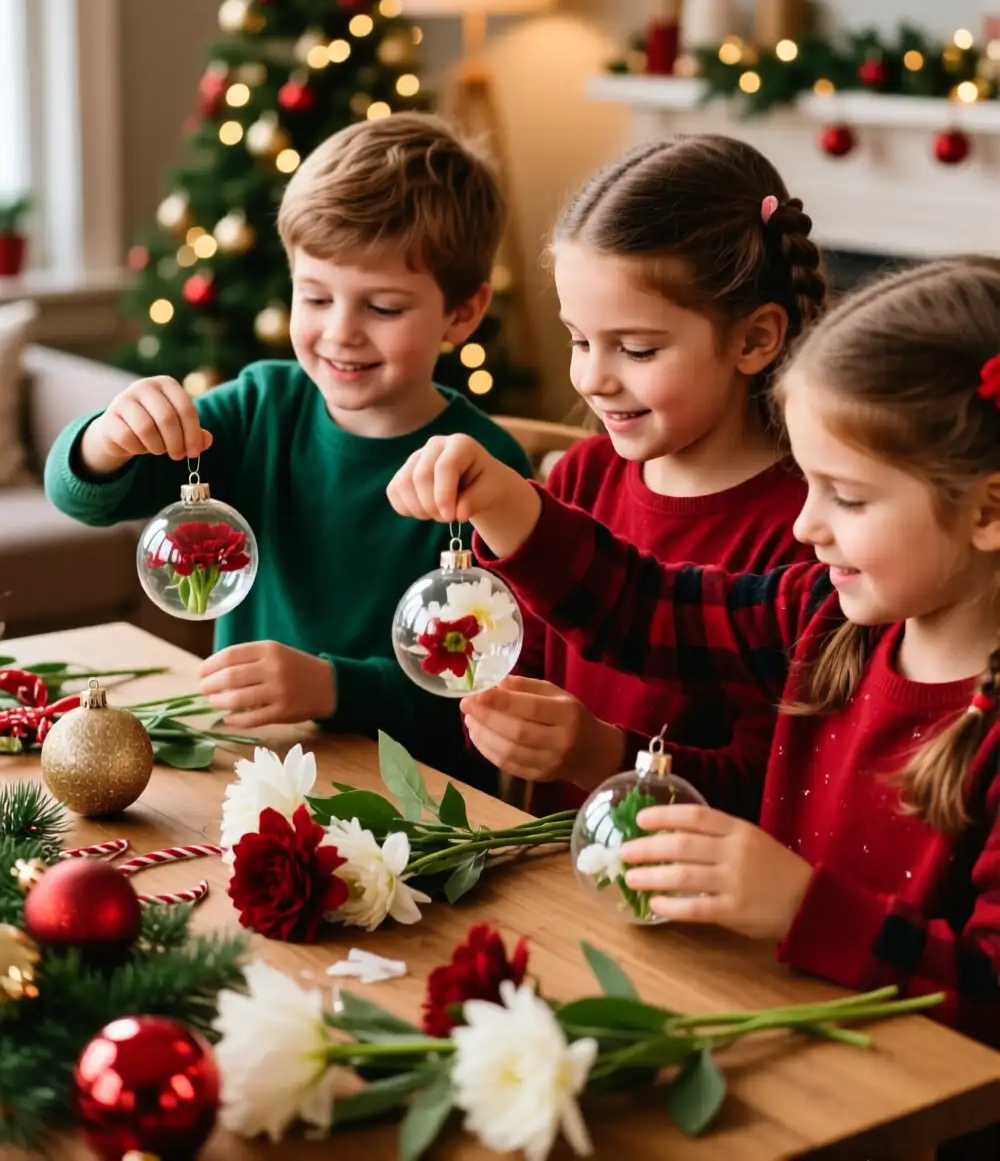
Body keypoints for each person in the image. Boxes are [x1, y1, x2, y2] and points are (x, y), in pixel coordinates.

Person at [387, 257, 1000, 1045]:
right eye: (809, 485)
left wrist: (798, 904)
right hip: (761, 1022)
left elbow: (988, 991)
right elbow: (649, 611)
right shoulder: (826, 618)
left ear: (987, 510)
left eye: (847, 497)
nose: (808, 527)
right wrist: (511, 506)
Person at [44, 112, 530, 786]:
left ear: (463, 313)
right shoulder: (259, 409)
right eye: (315, 296)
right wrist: (107, 439)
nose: (341, 333)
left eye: (383, 308)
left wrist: (333, 688)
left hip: (411, 807)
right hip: (254, 778)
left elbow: (479, 703)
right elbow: (86, 498)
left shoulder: (488, 472)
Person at [427, 136, 826, 818]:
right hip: (548, 868)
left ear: (754, 339)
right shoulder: (583, 476)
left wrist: (600, 755)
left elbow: (775, 794)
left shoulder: (810, 533)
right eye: (579, 339)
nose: (591, 378)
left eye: (636, 349)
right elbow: (520, 665)